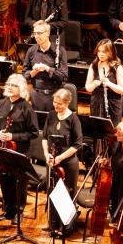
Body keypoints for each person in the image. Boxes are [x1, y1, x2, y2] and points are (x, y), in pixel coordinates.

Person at [0, 74, 38, 223]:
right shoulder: (0, 104)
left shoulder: (27, 108)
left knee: (19, 181)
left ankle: (19, 211)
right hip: (2, 149)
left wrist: (13, 137)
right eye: (9, 84)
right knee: (4, 178)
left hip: (19, 151)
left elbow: (33, 133)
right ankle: (8, 210)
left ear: (21, 89)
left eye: (14, 85)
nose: (9, 87)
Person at [41, 88, 82, 234]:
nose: (56, 106)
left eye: (59, 104)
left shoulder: (73, 119)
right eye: (54, 102)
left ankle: (65, 226)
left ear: (67, 103)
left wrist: (60, 157)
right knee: (52, 192)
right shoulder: (51, 115)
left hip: (68, 163)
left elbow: (77, 144)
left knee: (67, 194)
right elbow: (45, 137)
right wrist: (46, 155)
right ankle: (52, 224)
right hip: (52, 161)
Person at [23, 20, 68, 112]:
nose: (36, 36)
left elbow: (64, 76)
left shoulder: (60, 51)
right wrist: (34, 72)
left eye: (39, 33)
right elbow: (24, 75)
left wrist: (47, 69)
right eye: (34, 33)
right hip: (36, 94)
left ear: (47, 33)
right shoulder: (31, 51)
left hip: (55, 95)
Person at [85, 39, 123, 124]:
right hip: (96, 101)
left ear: (111, 52)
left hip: (113, 103)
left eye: (104, 52)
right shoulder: (93, 66)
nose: (100, 54)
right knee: (97, 128)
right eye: (99, 51)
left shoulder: (118, 67)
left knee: (113, 131)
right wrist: (94, 84)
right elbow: (88, 88)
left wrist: (109, 83)